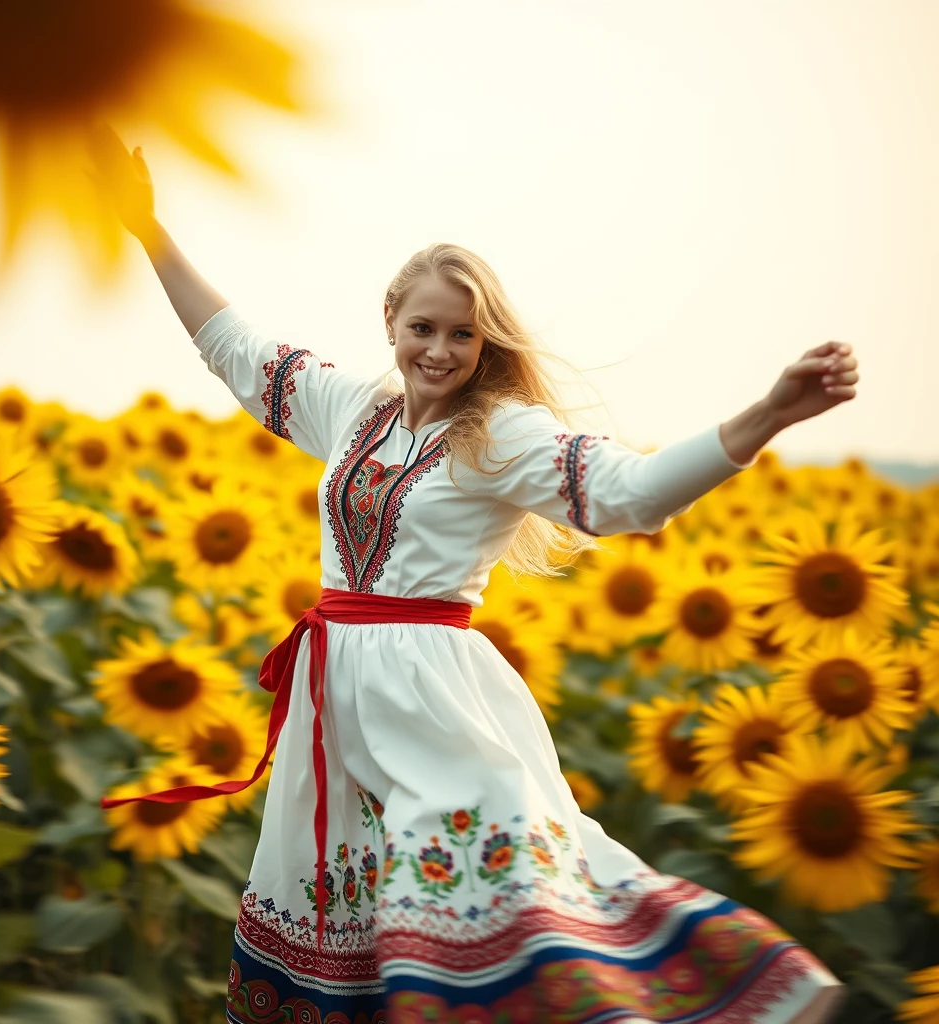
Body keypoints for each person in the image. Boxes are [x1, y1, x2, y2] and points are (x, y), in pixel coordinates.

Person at [89, 124, 857, 1024]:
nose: (441, 351)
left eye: (464, 334)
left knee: (467, 927)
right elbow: (233, 346)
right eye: (423, 328)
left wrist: (767, 413)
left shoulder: (504, 437)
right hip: (332, 702)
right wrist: (149, 233)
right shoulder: (352, 410)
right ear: (391, 322)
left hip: (435, 710)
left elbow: (631, 494)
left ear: (486, 343)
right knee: (348, 921)